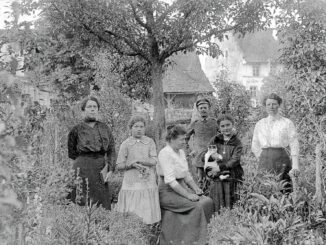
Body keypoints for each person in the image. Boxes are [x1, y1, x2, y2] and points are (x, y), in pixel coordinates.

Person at [157, 124, 214, 245]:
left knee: (207, 201)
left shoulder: (181, 152)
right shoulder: (165, 153)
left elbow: (186, 175)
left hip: (182, 189)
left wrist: (196, 188)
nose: (185, 142)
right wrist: (188, 195)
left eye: (185, 139)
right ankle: (192, 241)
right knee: (196, 206)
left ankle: (207, 237)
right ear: (172, 139)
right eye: (181, 139)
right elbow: (171, 181)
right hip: (167, 193)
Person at [67, 96, 116, 210]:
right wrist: (80, 165)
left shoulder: (105, 128)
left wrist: (110, 169)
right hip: (82, 168)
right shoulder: (76, 130)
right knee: (81, 201)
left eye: (95, 107)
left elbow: (111, 150)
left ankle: (102, 227)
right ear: (83, 110)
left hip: (100, 168)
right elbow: (72, 153)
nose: (92, 109)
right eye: (89, 107)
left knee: (101, 201)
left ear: (98, 109)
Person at [115, 115, 161, 224]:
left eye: (141, 126)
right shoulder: (126, 144)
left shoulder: (150, 142)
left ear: (145, 128)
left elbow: (154, 161)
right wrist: (132, 165)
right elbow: (119, 165)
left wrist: (142, 162)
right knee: (133, 213)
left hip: (147, 182)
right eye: (136, 126)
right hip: (131, 183)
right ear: (131, 128)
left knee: (147, 213)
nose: (139, 129)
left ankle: (150, 232)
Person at [252, 93, 300, 193]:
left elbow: (294, 143)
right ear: (265, 106)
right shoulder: (260, 124)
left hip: (282, 158)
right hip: (265, 159)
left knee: (283, 187)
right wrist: (261, 157)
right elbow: (255, 144)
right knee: (265, 187)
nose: (271, 107)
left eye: (274, 104)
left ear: (279, 105)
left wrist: (295, 165)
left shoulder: (287, 123)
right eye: (268, 104)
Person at [200, 114, 244, 212]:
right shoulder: (215, 139)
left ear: (232, 124)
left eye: (228, 125)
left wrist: (219, 168)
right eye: (222, 126)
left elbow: (235, 160)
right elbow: (204, 155)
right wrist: (211, 157)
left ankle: (230, 221)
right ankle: (217, 221)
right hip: (217, 177)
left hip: (232, 176)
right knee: (217, 202)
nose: (226, 128)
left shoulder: (237, 142)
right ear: (219, 128)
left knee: (231, 202)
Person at [185, 98, 218, 187]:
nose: (203, 110)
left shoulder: (215, 122)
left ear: (209, 109)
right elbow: (185, 137)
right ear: (198, 110)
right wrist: (189, 149)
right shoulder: (195, 123)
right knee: (200, 179)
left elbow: (224, 135)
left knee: (212, 178)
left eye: (205, 107)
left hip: (212, 153)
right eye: (201, 108)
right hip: (199, 154)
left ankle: (212, 197)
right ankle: (201, 196)